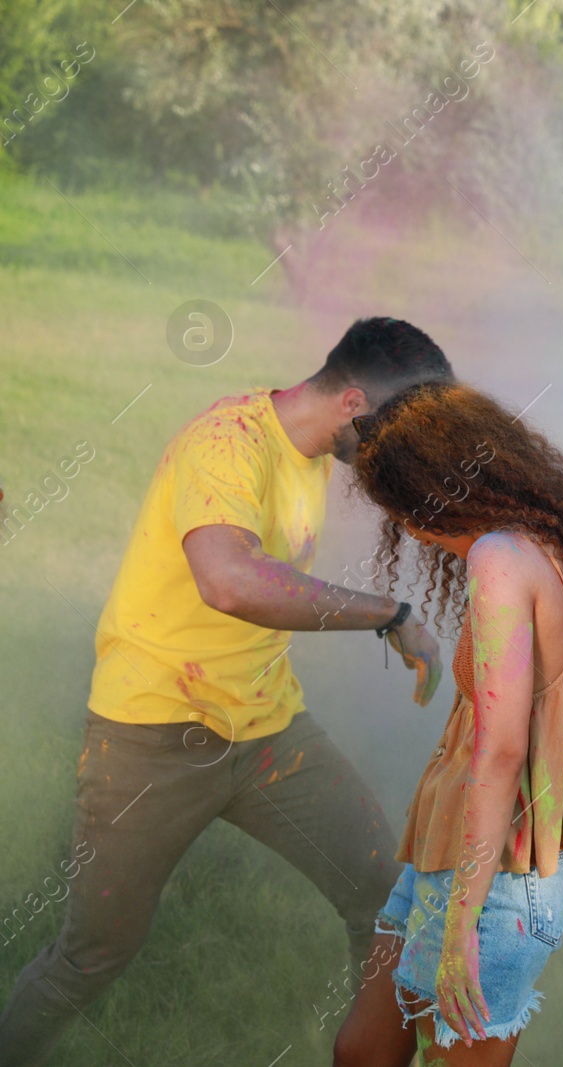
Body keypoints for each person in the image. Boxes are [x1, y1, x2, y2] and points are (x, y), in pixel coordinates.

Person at [0, 318, 454, 1063]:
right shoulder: (227, 442)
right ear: (351, 403)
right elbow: (230, 580)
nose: (394, 450)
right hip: (151, 735)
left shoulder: (312, 453)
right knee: (91, 956)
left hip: (269, 728)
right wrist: (389, 614)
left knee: (384, 897)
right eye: (394, 430)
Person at [332, 381, 563, 1065]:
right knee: (362, 1049)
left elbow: (500, 754)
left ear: (434, 490)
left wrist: (461, 926)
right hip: (450, 842)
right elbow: (559, 691)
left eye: (402, 510)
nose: (407, 529)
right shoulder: (536, 541)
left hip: (497, 879)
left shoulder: (501, 559)